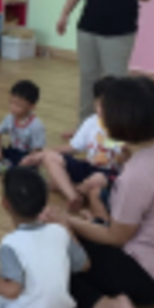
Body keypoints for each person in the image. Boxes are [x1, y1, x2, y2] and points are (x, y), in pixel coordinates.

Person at [43, 76, 154, 308]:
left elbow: (116, 237)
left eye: (105, 111)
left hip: (145, 278)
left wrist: (66, 220)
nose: (100, 115)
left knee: (52, 257)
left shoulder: (136, 175)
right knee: (79, 237)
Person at [0, 167, 88, 308]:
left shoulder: (11, 243)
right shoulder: (59, 231)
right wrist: (67, 228)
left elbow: (12, 291)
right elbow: (83, 264)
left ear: (5, 203)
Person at [37, 76, 122, 210]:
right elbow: (72, 148)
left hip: (109, 174)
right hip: (88, 167)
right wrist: (45, 152)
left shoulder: (124, 126)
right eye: (98, 104)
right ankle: (74, 196)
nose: (101, 110)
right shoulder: (91, 122)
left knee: (96, 180)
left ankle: (69, 188)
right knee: (49, 157)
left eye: (107, 106)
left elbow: (126, 159)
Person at [0, 80, 45, 174]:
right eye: (11, 103)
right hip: (11, 151)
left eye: (18, 105)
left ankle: (3, 165)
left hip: (25, 155)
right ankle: (4, 164)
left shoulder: (36, 125)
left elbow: (37, 150)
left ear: (31, 106)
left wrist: (27, 161)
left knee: (27, 165)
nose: (12, 107)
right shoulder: (10, 117)